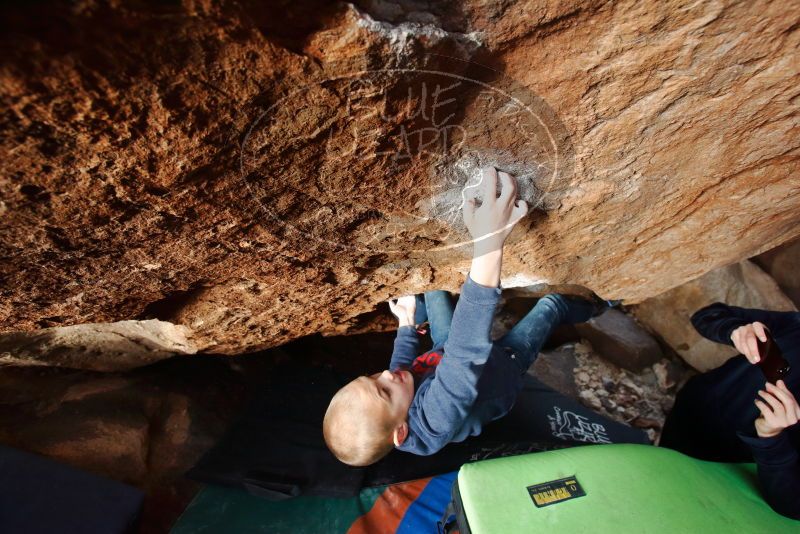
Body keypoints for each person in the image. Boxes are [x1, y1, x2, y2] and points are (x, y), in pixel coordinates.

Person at [323, 167, 638, 467]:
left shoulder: (394, 393)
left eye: (371, 377)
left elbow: (399, 369)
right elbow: (463, 354)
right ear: (401, 431)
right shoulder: (433, 422)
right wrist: (489, 242)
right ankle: (601, 304)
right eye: (384, 391)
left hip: (442, 351)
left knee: (433, 289)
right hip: (503, 367)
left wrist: (406, 325)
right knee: (552, 305)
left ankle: (452, 302)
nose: (385, 375)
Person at [660, 302, 800, 519]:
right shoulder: (796, 325)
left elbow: (792, 505)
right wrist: (735, 330)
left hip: (729, 468)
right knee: (656, 468)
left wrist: (771, 437)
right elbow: (707, 315)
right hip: (692, 413)